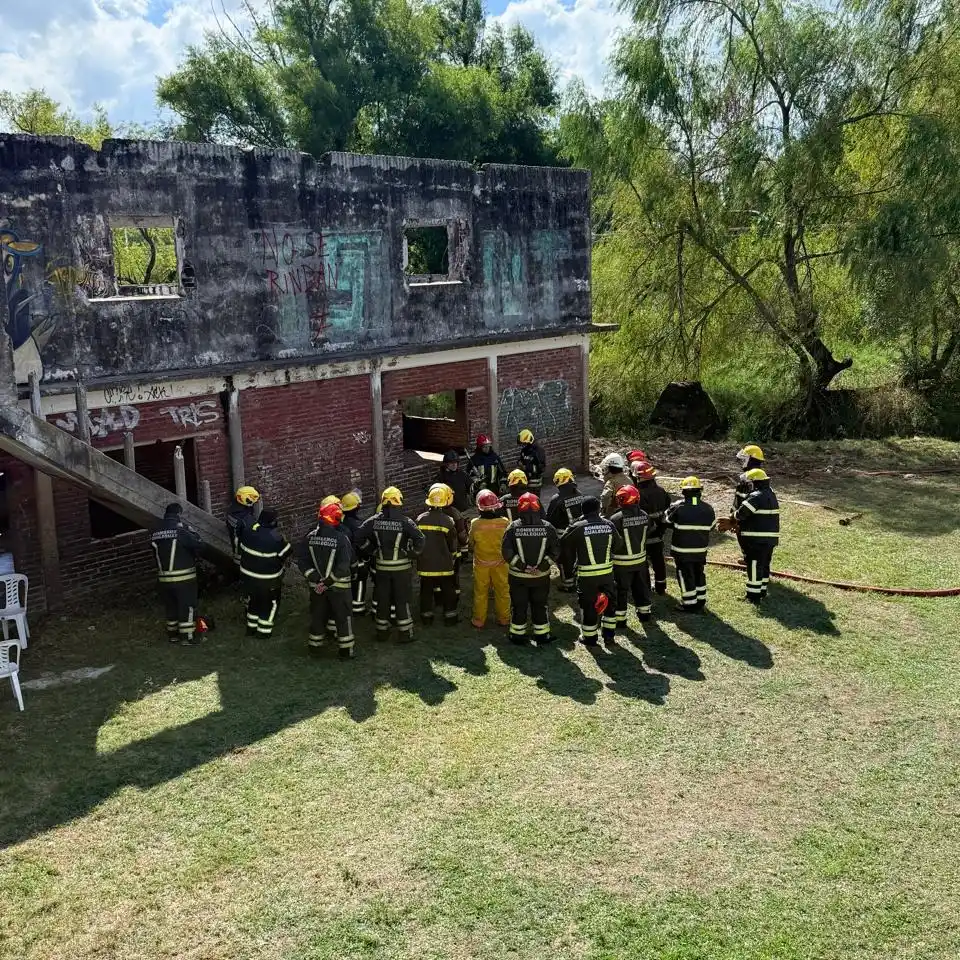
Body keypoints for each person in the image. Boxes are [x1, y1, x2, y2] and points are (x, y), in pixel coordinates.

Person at [356, 487, 425, 642]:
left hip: (381, 568)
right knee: (402, 599)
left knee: (382, 600)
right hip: (401, 569)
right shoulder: (405, 521)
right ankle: (405, 633)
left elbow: (358, 537)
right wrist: (412, 554)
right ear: (398, 501)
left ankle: (382, 632)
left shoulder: (373, 521)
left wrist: (372, 551)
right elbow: (420, 540)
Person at [560, 496, 623, 645]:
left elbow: (563, 542)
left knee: (588, 605)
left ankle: (589, 637)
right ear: (598, 509)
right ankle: (609, 636)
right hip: (607, 574)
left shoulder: (578, 526)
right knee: (610, 604)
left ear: (583, 510)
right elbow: (618, 544)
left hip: (587, 575)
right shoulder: (609, 524)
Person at [298, 501, 355, 658]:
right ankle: (345, 651)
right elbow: (344, 567)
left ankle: (315, 648)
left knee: (317, 615)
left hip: (317, 587)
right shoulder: (341, 539)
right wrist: (329, 581)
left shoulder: (309, 538)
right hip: (339, 587)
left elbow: (302, 561)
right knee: (343, 617)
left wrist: (316, 579)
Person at [501, 492, 560, 645]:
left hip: (518, 577)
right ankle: (542, 635)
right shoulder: (548, 528)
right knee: (540, 604)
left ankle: (517, 636)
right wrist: (541, 566)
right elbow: (555, 551)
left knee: (518, 605)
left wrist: (524, 567)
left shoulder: (512, 528)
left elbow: (506, 552)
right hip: (540, 577)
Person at [150, 502, 203, 645]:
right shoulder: (181, 531)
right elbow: (199, 543)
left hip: (164, 579)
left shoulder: (155, 532)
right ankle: (187, 638)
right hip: (184, 579)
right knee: (187, 606)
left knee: (171, 606)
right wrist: (191, 531)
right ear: (179, 515)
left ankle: (173, 635)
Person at [665, 477, 716, 612]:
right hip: (700, 551)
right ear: (700, 491)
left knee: (685, 574)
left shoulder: (678, 507)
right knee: (699, 573)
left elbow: (666, 521)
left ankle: (689, 603)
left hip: (682, 551)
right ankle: (700, 600)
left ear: (683, 492)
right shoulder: (708, 509)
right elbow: (711, 526)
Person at [239, 508, 291, 638]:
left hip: (248, 577)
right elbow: (286, 552)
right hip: (268, 579)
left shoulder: (248, 531)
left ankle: (251, 629)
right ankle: (263, 632)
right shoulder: (276, 538)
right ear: (273, 521)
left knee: (253, 601)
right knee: (270, 604)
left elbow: (241, 548)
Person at [734, 468, 780, 603]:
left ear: (754, 483)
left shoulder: (755, 496)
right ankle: (762, 591)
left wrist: (732, 517)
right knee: (765, 564)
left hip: (755, 540)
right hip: (770, 539)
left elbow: (741, 514)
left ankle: (753, 597)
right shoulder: (771, 493)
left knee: (754, 566)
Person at [416, 486, 460, 626]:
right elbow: (452, 543)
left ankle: (426, 618)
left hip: (425, 563)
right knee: (448, 590)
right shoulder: (448, 520)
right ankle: (450, 617)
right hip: (444, 563)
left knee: (426, 591)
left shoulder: (420, 519)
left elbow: (417, 541)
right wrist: (453, 556)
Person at [610, 484, 652, 625]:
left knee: (621, 591)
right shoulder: (645, 516)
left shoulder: (615, 519)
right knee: (641, 588)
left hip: (621, 564)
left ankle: (620, 619)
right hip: (640, 562)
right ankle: (644, 613)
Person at [469, 489, 511, 629]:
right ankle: (504, 619)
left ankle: (479, 620)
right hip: (501, 563)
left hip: (481, 565)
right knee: (503, 591)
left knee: (480, 592)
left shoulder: (475, 524)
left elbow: (470, 544)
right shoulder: (505, 522)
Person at [631, 460, 671, 596]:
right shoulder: (662, 491)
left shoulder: (637, 494)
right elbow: (667, 510)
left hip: (643, 534)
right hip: (658, 533)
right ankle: (661, 587)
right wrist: (661, 529)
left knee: (642, 562)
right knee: (658, 560)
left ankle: (646, 587)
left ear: (639, 477)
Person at [546, 468, 586, 591]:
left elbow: (550, 519)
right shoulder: (579, 494)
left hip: (564, 535)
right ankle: (577, 577)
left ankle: (568, 585)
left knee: (564, 559)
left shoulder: (556, 499)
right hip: (580, 533)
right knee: (578, 556)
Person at [340, 489, 368, 616]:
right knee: (360, 582)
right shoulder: (358, 525)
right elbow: (361, 544)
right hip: (358, 561)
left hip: (344, 561)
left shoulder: (340, 522)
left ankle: (347, 605)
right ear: (357, 507)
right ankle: (358, 608)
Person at [226, 485, 259, 560]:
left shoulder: (233, 508)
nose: (254, 502)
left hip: (236, 541)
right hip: (242, 550)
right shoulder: (243, 518)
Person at [599, 453, 630, 517]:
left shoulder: (611, 482)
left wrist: (603, 511)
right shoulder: (629, 480)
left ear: (609, 468)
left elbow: (605, 497)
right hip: (628, 512)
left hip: (613, 514)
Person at [517, 429, 547, 494]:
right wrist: (519, 462)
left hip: (535, 483)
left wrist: (527, 468)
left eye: (524, 443)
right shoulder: (524, 450)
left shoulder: (538, 451)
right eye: (522, 444)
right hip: (525, 482)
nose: (523, 445)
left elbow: (541, 467)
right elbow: (522, 459)